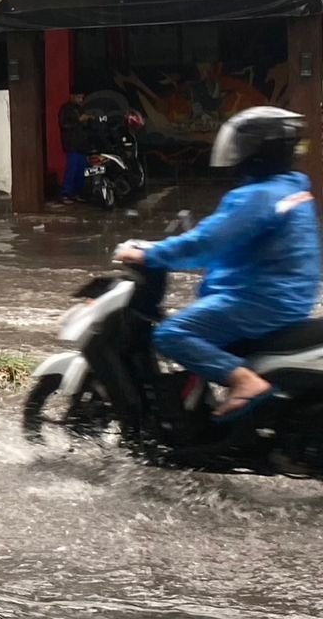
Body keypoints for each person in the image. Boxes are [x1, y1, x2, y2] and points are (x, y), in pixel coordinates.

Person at [117, 106, 321, 421]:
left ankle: (244, 382)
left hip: (257, 301)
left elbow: (205, 244)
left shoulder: (257, 197)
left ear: (257, 150)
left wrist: (148, 254)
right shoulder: (293, 189)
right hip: (287, 300)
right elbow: (228, 241)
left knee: (172, 334)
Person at [57, 93, 92, 204]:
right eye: (78, 97)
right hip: (72, 144)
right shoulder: (66, 109)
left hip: (82, 145)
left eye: (82, 97)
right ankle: (65, 194)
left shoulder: (80, 109)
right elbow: (64, 124)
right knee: (72, 170)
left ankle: (77, 193)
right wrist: (79, 120)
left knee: (81, 171)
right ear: (72, 96)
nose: (81, 100)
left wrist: (89, 120)